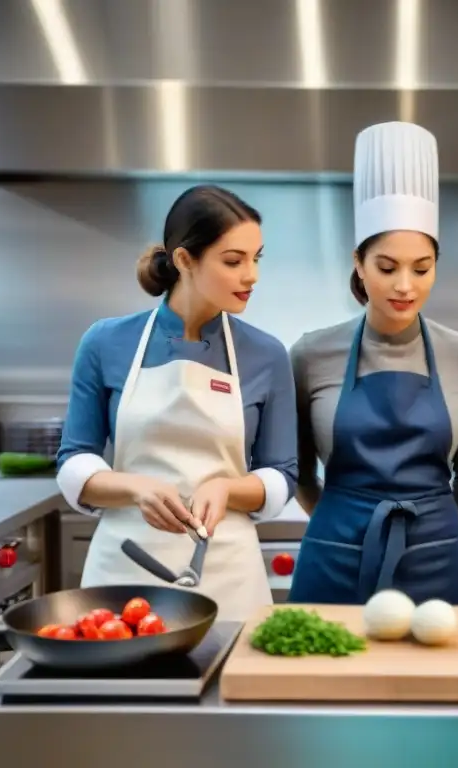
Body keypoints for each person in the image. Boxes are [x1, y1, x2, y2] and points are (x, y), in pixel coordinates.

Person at [56, 184, 298, 621]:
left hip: (229, 574)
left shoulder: (267, 354)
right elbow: (74, 463)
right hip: (125, 567)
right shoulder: (105, 342)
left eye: (256, 258)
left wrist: (226, 487)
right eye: (233, 261)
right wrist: (136, 487)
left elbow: (281, 476)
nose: (252, 276)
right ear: (185, 260)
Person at [288, 121, 458, 606]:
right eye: (387, 267)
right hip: (334, 555)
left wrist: (433, 529)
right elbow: (298, 475)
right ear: (359, 263)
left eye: (422, 269)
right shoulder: (309, 355)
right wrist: (343, 519)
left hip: (438, 560)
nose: (405, 285)